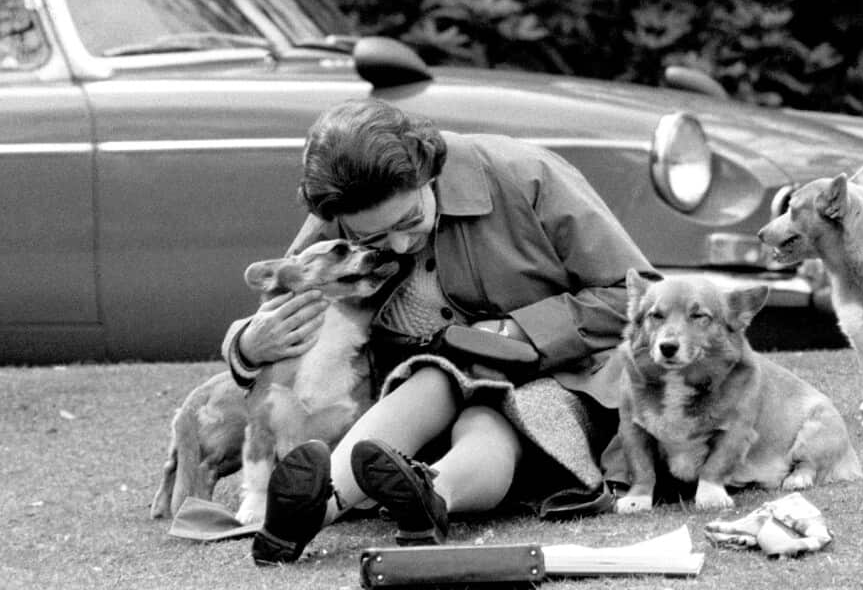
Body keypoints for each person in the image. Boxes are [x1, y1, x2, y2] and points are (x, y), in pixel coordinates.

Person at [222, 97, 656, 565]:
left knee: (489, 419)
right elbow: (283, 297)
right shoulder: (346, 206)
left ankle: (432, 493)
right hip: (419, 394)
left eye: (409, 221)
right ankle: (311, 511)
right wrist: (246, 346)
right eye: (373, 239)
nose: (398, 245)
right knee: (434, 378)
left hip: (556, 377)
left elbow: (637, 295)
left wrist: (516, 331)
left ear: (428, 170)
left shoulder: (526, 175)